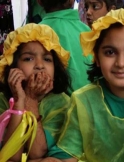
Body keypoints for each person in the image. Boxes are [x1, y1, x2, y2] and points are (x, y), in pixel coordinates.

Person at [52, 8, 124, 162]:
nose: (121, 63)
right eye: (110, 52)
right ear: (96, 56)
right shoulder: (83, 101)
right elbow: (68, 156)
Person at [0, 23, 71, 161]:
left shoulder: (62, 103)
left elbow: (37, 152)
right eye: (28, 58)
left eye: (47, 59)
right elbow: (9, 156)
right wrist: (19, 103)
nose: (40, 65)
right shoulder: (2, 101)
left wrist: (30, 100)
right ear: (13, 67)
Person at [38, 0, 92, 95]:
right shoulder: (87, 30)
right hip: (93, 103)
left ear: (39, 2)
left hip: (57, 106)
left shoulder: (35, 33)